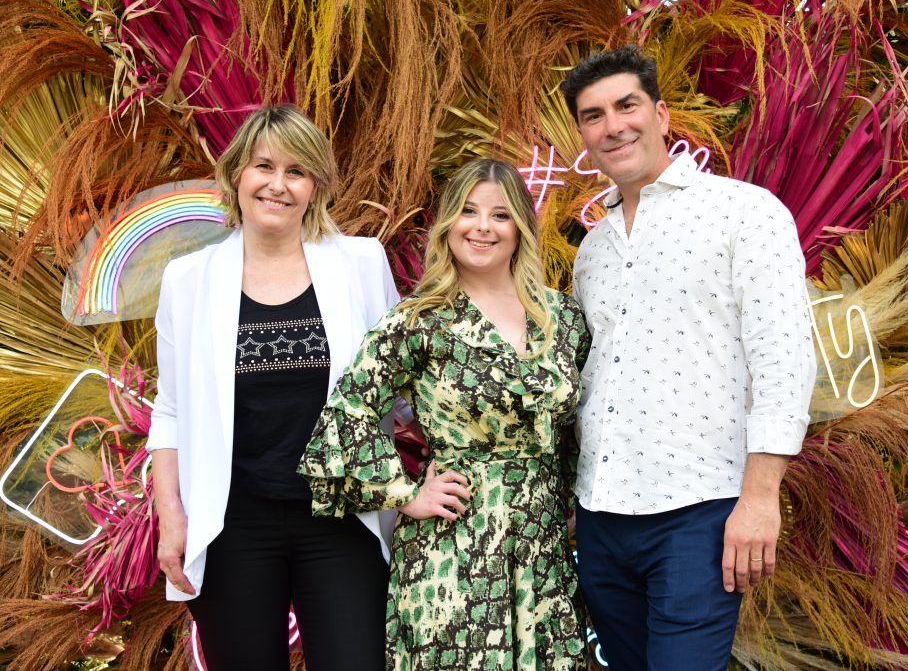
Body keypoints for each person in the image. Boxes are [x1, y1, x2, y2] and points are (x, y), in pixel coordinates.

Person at [560, 45, 816, 669]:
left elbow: (783, 359)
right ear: (584, 136)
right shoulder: (591, 250)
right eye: (594, 116)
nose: (613, 126)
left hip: (699, 512)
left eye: (627, 106)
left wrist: (761, 497)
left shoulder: (744, 212)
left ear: (661, 114)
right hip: (600, 515)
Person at [297, 158, 591, 671]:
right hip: (452, 555)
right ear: (448, 224)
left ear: (521, 227)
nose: (482, 227)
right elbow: (346, 414)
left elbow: (578, 429)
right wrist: (406, 494)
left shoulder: (561, 318)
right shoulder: (419, 320)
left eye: (500, 214)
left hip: (542, 552)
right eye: (468, 211)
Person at [147, 104, 400, 671]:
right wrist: (172, 517)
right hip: (233, 523)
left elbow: (401, 386)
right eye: (264, 166)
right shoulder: (188, 279)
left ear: (316, 186)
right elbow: (171, 410)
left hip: (342, 519)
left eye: (297, 171)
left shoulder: (361, 264)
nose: (277, 185)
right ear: (237, 173)